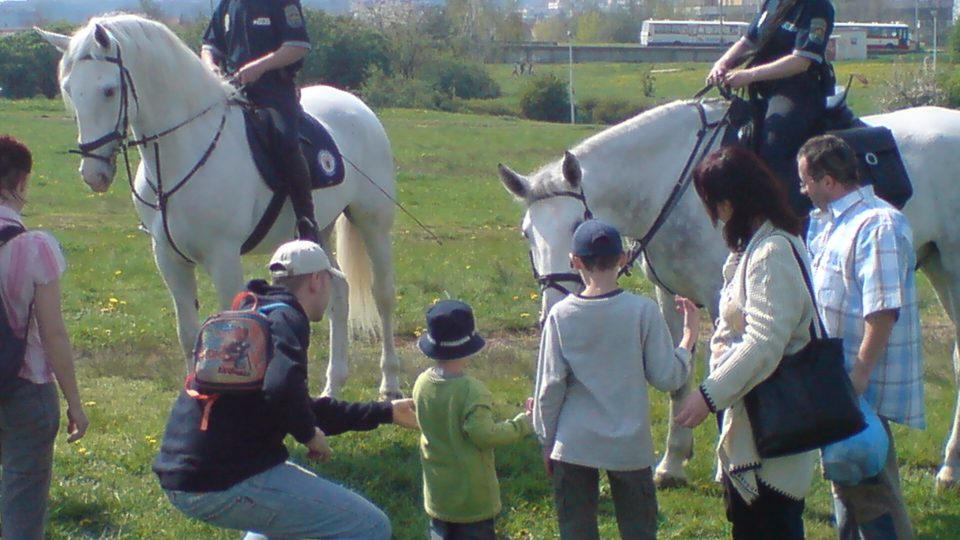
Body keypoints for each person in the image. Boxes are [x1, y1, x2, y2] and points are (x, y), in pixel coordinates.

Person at [153, 240, 419, 539]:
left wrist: (385, 412)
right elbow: (282, 390)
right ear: (317, 280)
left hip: (185, 470)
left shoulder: (253, 311)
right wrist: (309, 435)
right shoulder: (287, 319)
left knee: (283, 522)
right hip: (220, 480)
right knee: (369, 525)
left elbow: (291, 402)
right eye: (330, 281)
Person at [676, 146, 818, 540]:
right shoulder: (757, 247)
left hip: (772, 428)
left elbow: (764, 342)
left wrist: (707, 396)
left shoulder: (771, 254)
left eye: (714, 204)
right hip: (757, 422)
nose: (714, 214)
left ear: (729, 202)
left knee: (768, 528)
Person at [534, 219, 699, 540]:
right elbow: (667, 377)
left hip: (574, 443)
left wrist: (546, 440)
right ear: (623, 259)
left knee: (577, 531)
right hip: (630, 446)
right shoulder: (642, 311)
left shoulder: (561, 315)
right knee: (639, 530)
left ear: (575, 261)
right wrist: (688, 337)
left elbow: (550, 387)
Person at [798, 134, 921, 540]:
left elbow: (882, 309)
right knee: (847, 480)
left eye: (805, 180)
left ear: (828, 181)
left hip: (859, 383)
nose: (802, 189)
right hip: (839, 380)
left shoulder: (876, 225)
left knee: (873, 489)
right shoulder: (833, 222)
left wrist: (859, 377)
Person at [0, 134, 89, 539]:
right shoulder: (34, 246)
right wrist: (74, 401)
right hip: (24, 388)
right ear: (20, 183)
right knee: (23, 502)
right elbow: (53, 334)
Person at [412, 299, 533, 540]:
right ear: (470, 347)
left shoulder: (421, 383)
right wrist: (524, 423)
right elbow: (484, 435)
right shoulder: (471, 391)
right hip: (471, 501)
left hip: (438, 494)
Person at [201, 0, 320, 242]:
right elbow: (209, 44)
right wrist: (210, 65)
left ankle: (306, 220)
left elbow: (298, 46)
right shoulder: (228, 4)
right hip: (231, 91)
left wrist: (261, 66)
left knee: (285, 141)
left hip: (274, 92)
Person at [706, 0, 835, 213]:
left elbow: (801, 61)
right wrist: (722, 63)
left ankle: (788, 213)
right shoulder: (772, 3)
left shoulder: (816, 7)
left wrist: (748, 75)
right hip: (764, 89)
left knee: (773, 141)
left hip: (798, 90)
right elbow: (748, 40)